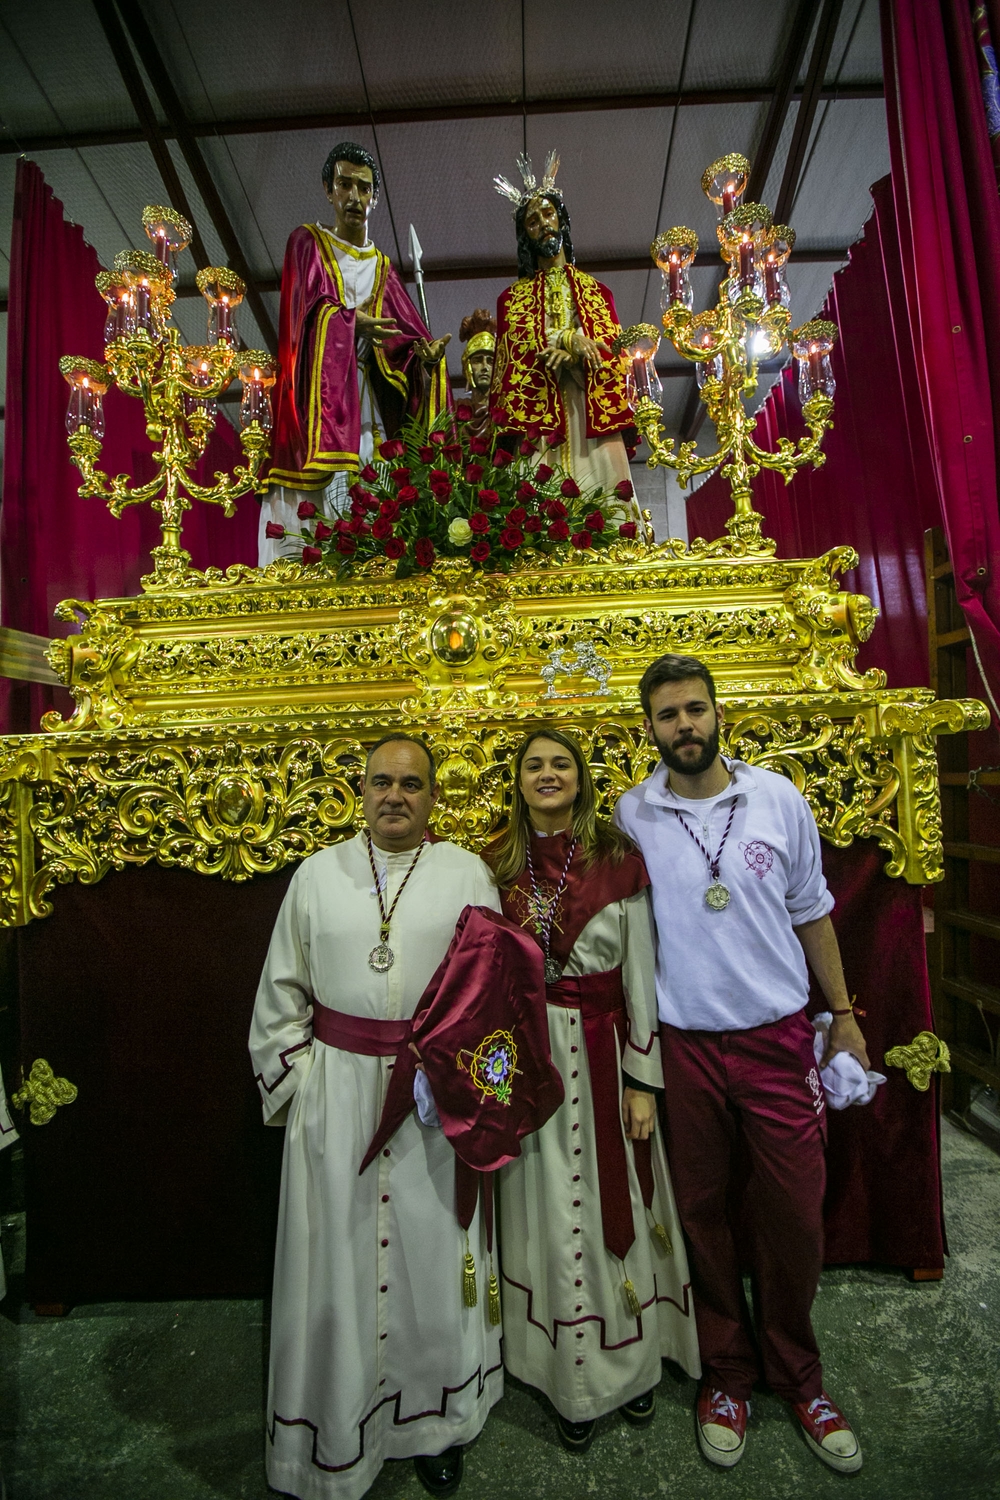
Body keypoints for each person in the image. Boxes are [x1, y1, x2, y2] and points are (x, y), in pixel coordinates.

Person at [614, 653, 869, 1475]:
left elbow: (814, 912)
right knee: (702, 1213)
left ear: (719, 713)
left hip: (776, 1038)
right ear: (648, 729)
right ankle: (725, 1371)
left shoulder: (777, 799)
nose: (684, 726)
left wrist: (847, 1018)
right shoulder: (633, 813)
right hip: (684, 1045)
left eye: (695, 710)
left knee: (794, 1214)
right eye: (667, 716)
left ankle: (799, 1374)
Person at [249, 735, 502, 1500]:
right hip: (339, 1100)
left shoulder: (467, 873)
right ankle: (335, 1425)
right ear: (360, 790)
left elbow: (493, 996)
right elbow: (280, 993)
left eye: (412, 784)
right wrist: (305, 1084)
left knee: (430, 1260)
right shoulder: (316, 875)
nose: (396, 795)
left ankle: (436, 1424)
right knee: (338, 1263)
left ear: (433, 797)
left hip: (433, 1103)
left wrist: (457, 1084)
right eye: (381, 782)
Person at [483, 728, 700, 1453]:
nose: (548, 774)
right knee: (543, 1212)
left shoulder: (617, 861)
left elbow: (641, 974)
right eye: (534, 765)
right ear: (517, 781)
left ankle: (630, 1366)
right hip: (533, 1065)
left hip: (607, 1054)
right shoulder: (494, 865)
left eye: (561, 764)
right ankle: (556, 1372)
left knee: (621, 1204)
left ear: (581, 779)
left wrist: (643, 1078)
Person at [259, 142, 451, 564]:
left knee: (375, 509)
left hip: (369, 412)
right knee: (318, 521)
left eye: (364, 189)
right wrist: (349, 323)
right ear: (328, 190)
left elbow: (405, 336)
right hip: (318, 411)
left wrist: (425, 358)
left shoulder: (383, 266)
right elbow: (301, 320)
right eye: (345, 185)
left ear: (375, 199)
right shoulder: (307, 243)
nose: (355, 198)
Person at [491, 152, 636, 494]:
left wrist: (576, 352)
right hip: (539, 415)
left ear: (560, 220)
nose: (542, 223)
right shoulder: (510, 300)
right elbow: (513, 362)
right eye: (532, 221)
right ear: (526, 236)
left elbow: (612, 354)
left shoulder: (598, 291)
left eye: (548, 214)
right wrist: (567, 340)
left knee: (607, 502)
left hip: (589, 406)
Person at [457, 309, 496, 439]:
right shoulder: (456, 409)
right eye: (478, 360)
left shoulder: (507, 411)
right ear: (467, 367)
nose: (485, 367)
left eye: (490, 361)